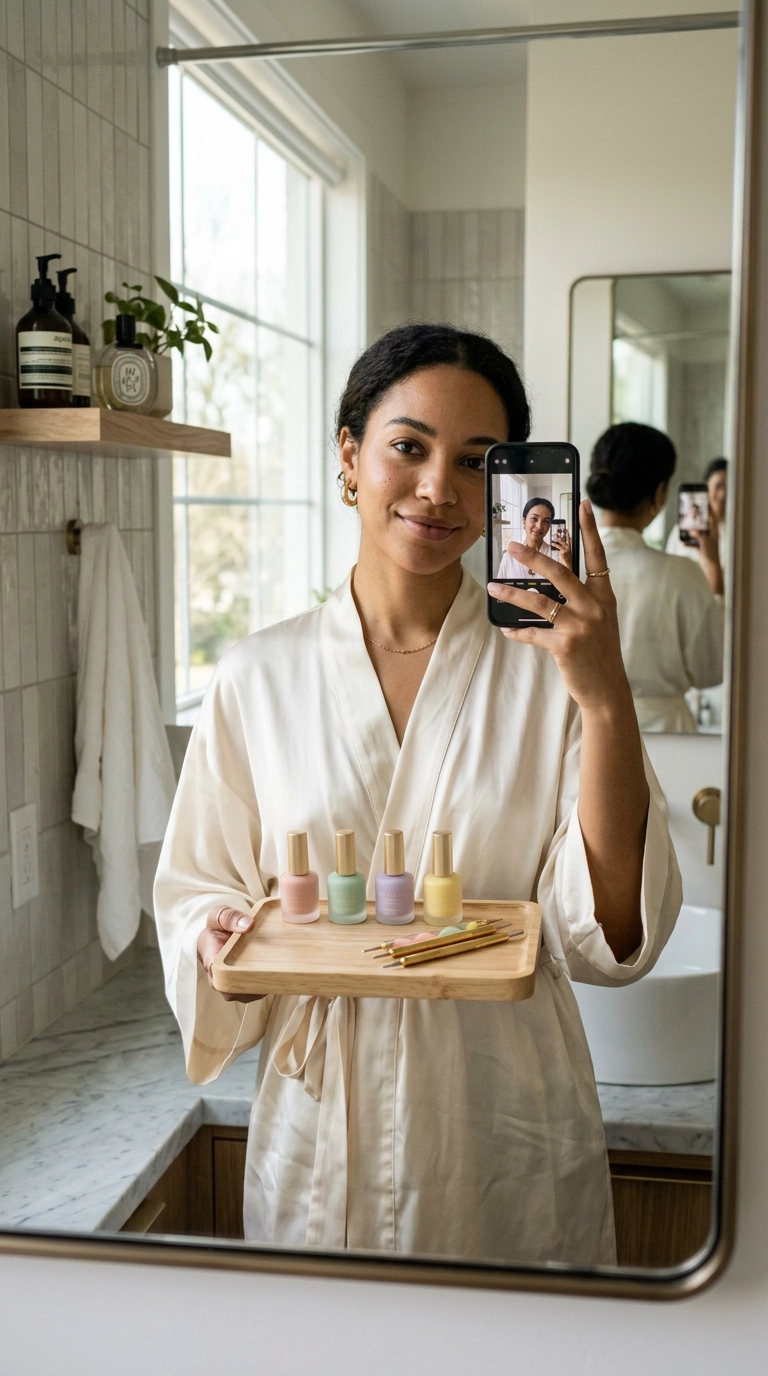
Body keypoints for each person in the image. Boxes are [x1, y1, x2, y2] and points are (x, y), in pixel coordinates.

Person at [155, 325, 680, 1268]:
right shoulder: (256, 676)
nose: (440, 487)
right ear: (350, 454)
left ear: (508, 485)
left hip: (504, 1114)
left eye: (477, 462)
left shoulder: (550, 672)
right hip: (322, 1130)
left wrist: (604, 697)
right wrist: (215, 929)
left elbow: (608, 933)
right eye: (409, 446)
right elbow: (195, 887)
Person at [587, 423, 724, 733]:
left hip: (583, 735)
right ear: (660, 493)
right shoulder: (681, 574)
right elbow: (711, 672)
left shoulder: (564, 569)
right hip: (669, 739)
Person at [666, 457, 728, 595]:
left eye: (729, 487)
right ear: (706, 488)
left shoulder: (737, 533)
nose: (723, 494)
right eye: (718, 486)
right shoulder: (681, 530)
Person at [496, 497, 572, 578]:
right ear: (524, 521)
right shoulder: (509, 557)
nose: (539, 526)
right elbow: (499, 589)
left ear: (550, 525)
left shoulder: (558, 556)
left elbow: (570, 589)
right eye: (534, 519)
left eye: (546, 521)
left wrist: (567, 562)